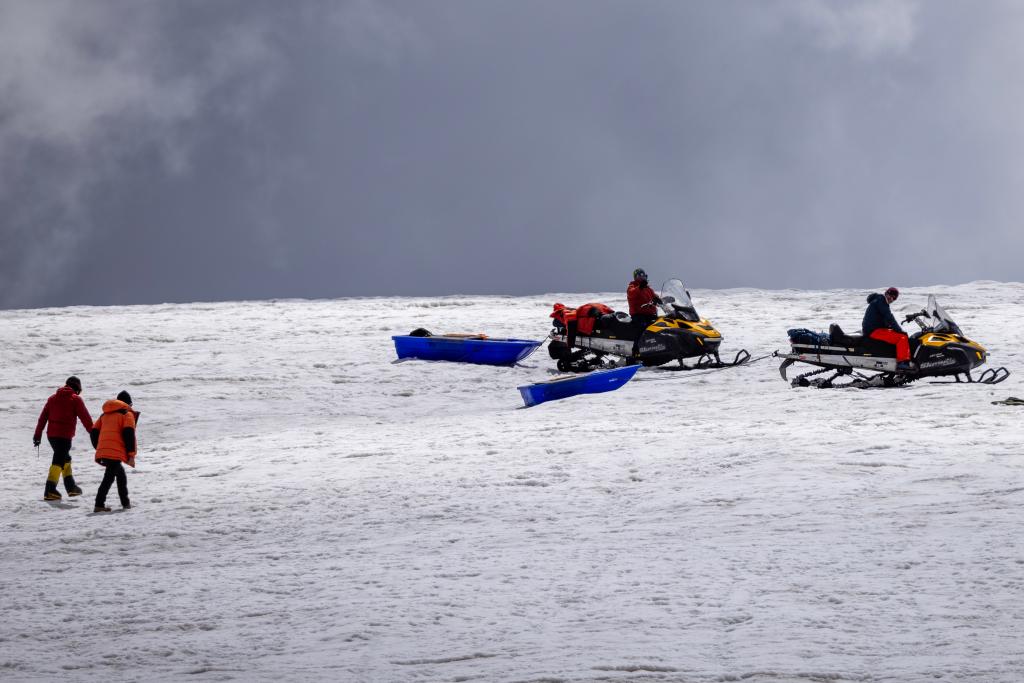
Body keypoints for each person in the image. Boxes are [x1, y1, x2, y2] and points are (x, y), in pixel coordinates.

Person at [33, 376, 94, 501]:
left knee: (65, 458)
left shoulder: (52, 398)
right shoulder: (75, 399)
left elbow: (42, 418)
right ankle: (50, 490)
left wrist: (37, 435)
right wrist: (93, 433)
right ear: (77, 389)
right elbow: (85, 418)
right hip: (64, 436)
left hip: (52, 436)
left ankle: (71, 488)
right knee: (58, 460)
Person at [91, 390, 138, 513]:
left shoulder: (104, 415)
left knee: (119, 476)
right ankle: (99, 504)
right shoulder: (126, 414)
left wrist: (100, 447)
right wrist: (131, 454)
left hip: (106, 450)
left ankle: (125, 503)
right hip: (115, 451)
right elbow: (129, 434)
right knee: (109, 478)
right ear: (128, 403)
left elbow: (94, 432)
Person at [862, 286, 914, 371]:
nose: (892, 299)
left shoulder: (878, 300)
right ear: (886, 293)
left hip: (872, 329)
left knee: (896, 334)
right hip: (874, 331)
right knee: (902, 337)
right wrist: (899, 330)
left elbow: (883, 319)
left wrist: (892, 328)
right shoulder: (881, 300)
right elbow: (889, 317)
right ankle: (902, 363)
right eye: (891, 295)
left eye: (894, 298)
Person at [627, 268, 662, 359]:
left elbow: (655, 297)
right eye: (639, 276)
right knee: (641, 328)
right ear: (635, 277)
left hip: (651, 314)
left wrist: (659, 299)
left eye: (643, 275)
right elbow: (632, 293)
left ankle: (658, 349)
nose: (642, 277)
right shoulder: (632, 286)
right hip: (639, 314)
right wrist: (640, 287)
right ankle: (636, 351)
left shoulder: (648, 289)